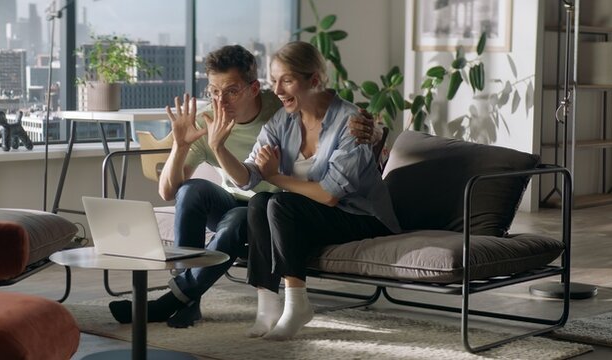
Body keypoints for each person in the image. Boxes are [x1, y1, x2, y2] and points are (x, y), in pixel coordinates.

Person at [108, 45, 380, 328]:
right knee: (191, 191)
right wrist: (181, 145)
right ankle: (190, 300)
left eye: (231, 91)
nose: (220, 101)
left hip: (274, 209)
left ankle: (173, 301)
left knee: (246, 213)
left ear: (253, 88)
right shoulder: (213, 120)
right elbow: (169, 191)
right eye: (213, 91)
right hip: (241, 200)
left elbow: (330, 110)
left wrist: (373, 128)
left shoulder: (283, 106)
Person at [212, 41, 401, 340]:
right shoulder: (283, 122)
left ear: (314, 80)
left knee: (279, 203)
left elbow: (329, 195)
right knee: (260, 201)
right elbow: (248, 177)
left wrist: (276, 176)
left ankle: (297, 304)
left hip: (362, 217)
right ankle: (268, 306)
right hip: (313, 215)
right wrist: (218, 147)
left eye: (286, 80)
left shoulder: (350, 123)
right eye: (273, 81)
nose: (277, 91)